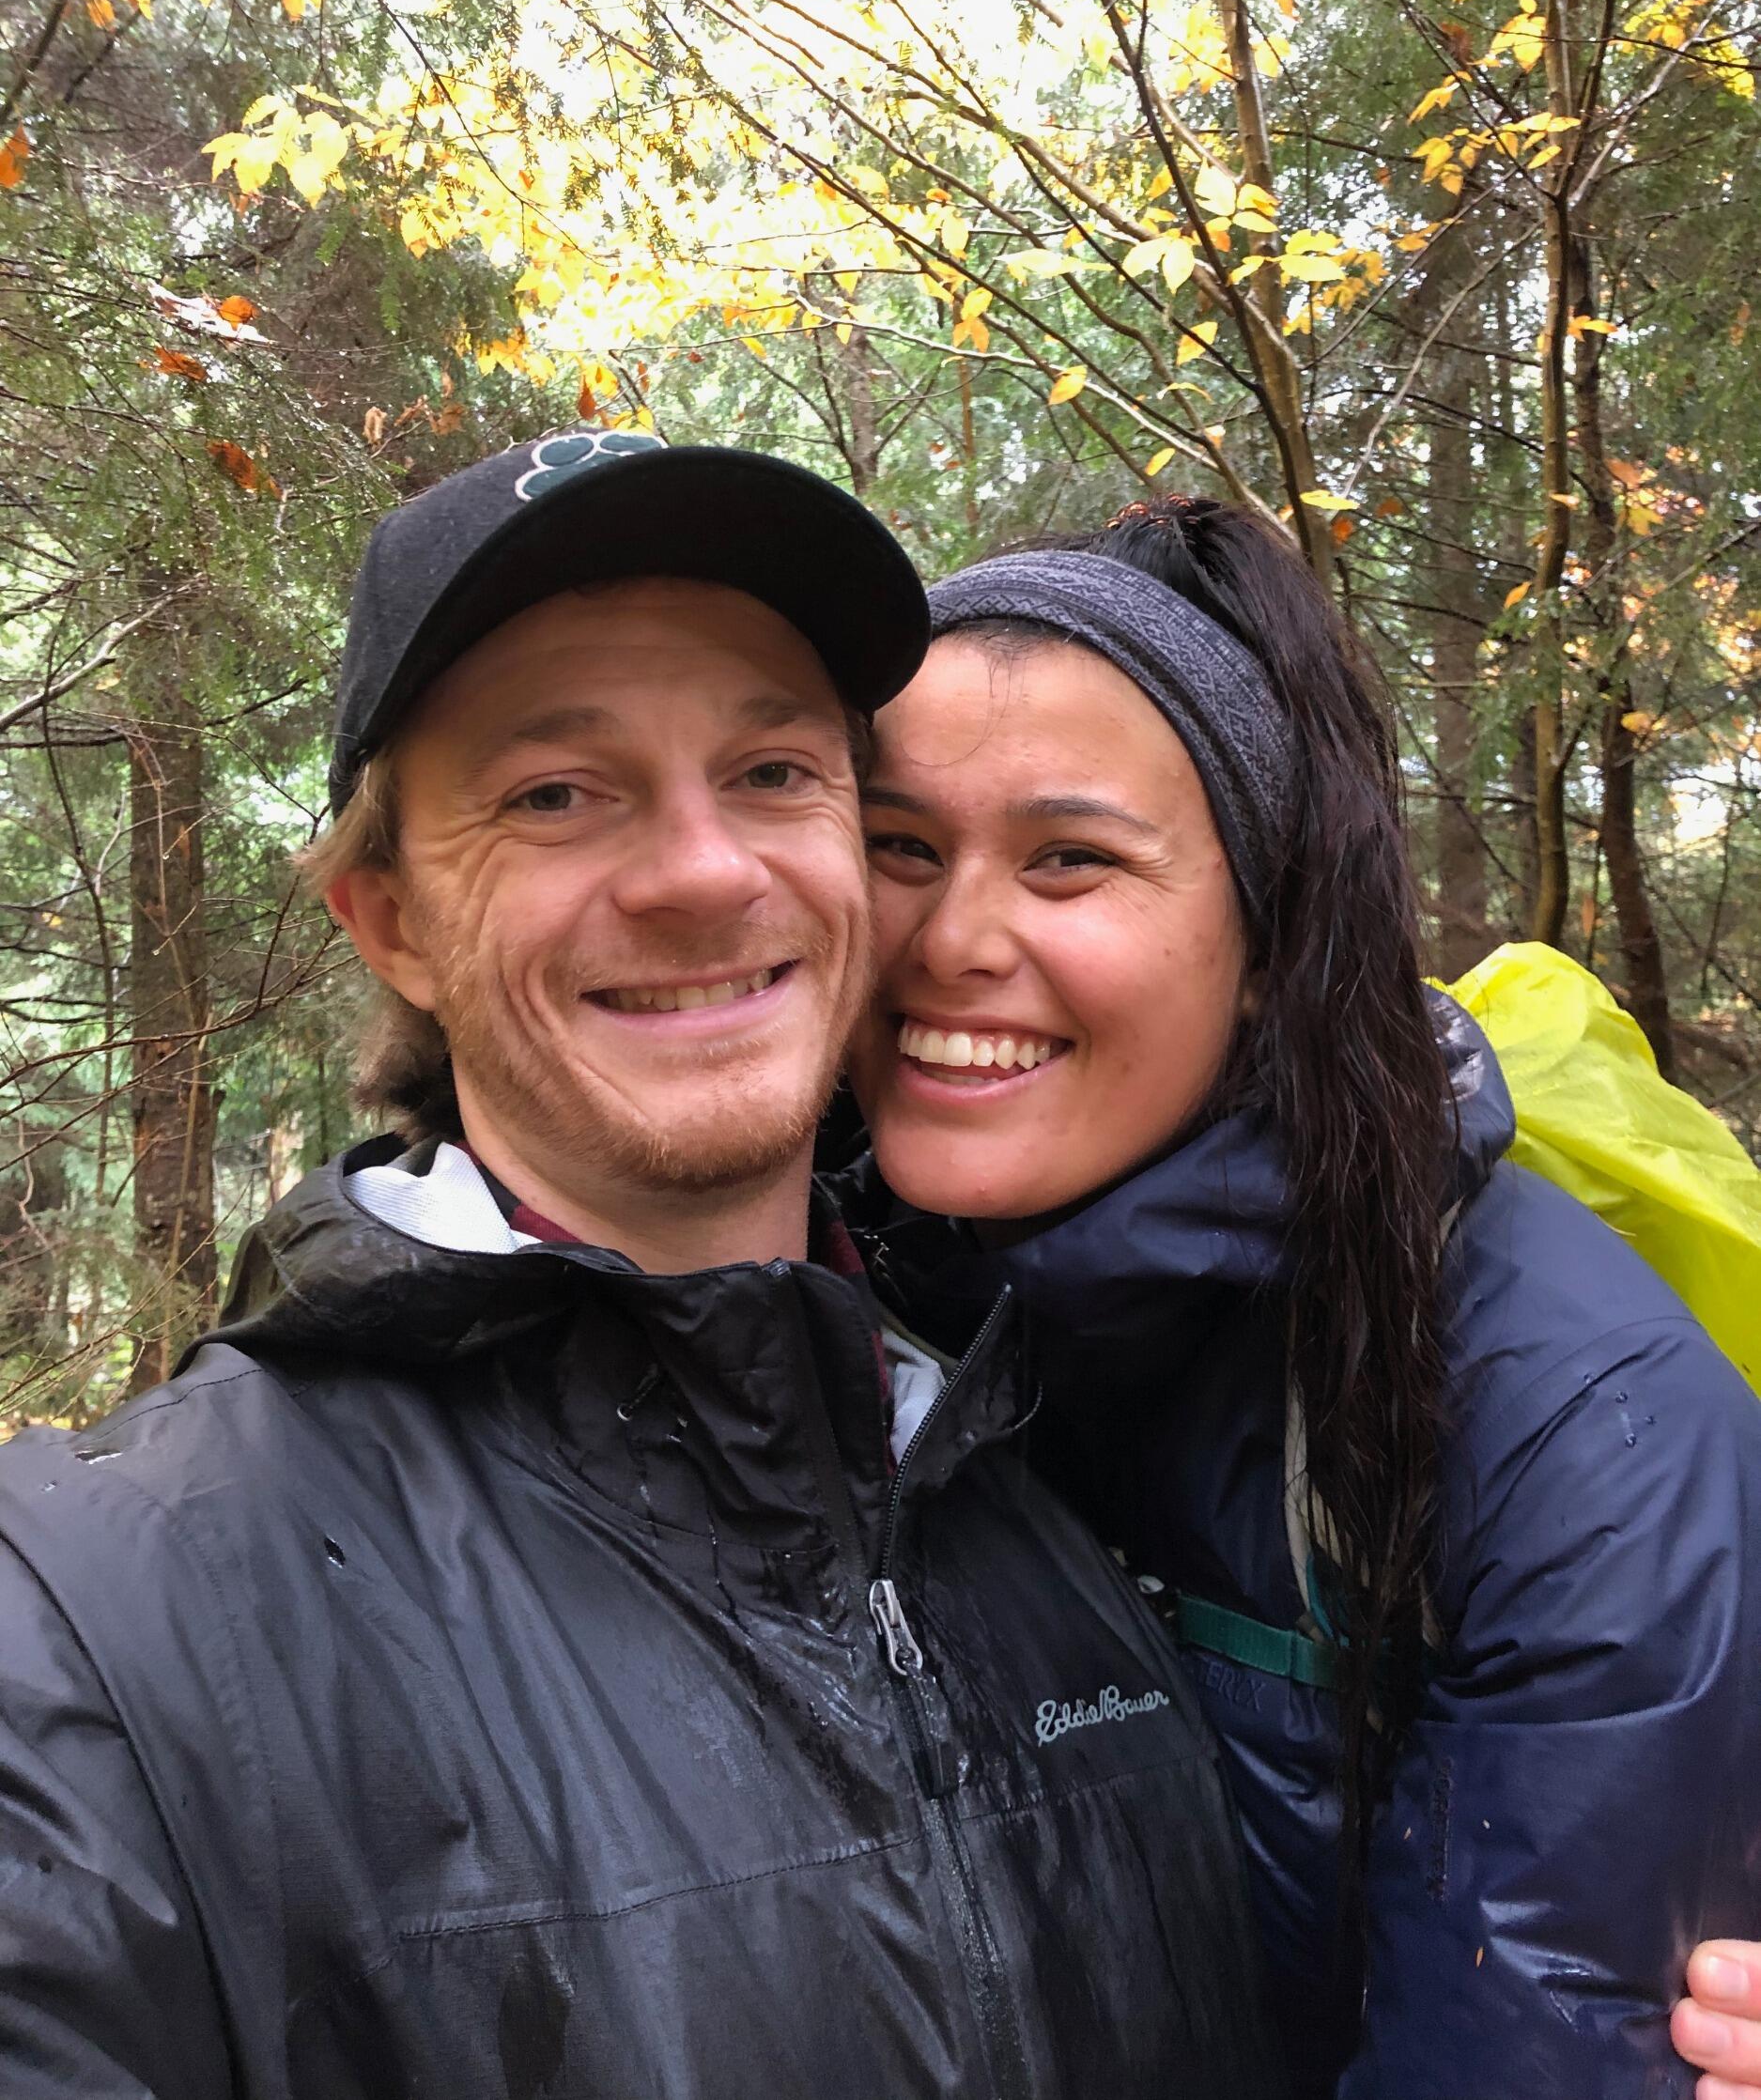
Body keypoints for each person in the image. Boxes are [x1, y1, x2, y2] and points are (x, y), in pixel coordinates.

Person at [0, 432, 1286, 2099]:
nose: (703, 871)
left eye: (773, 772)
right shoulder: (102, 1622)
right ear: (391, 920)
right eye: (556, 794)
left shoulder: (1022, 1463)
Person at [839, 495, 1761, 2100]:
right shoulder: (825, 1292)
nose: (952, 939)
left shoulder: (1576, 1434)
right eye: (899, 847)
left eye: (1072, 861)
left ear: (1272, 939)